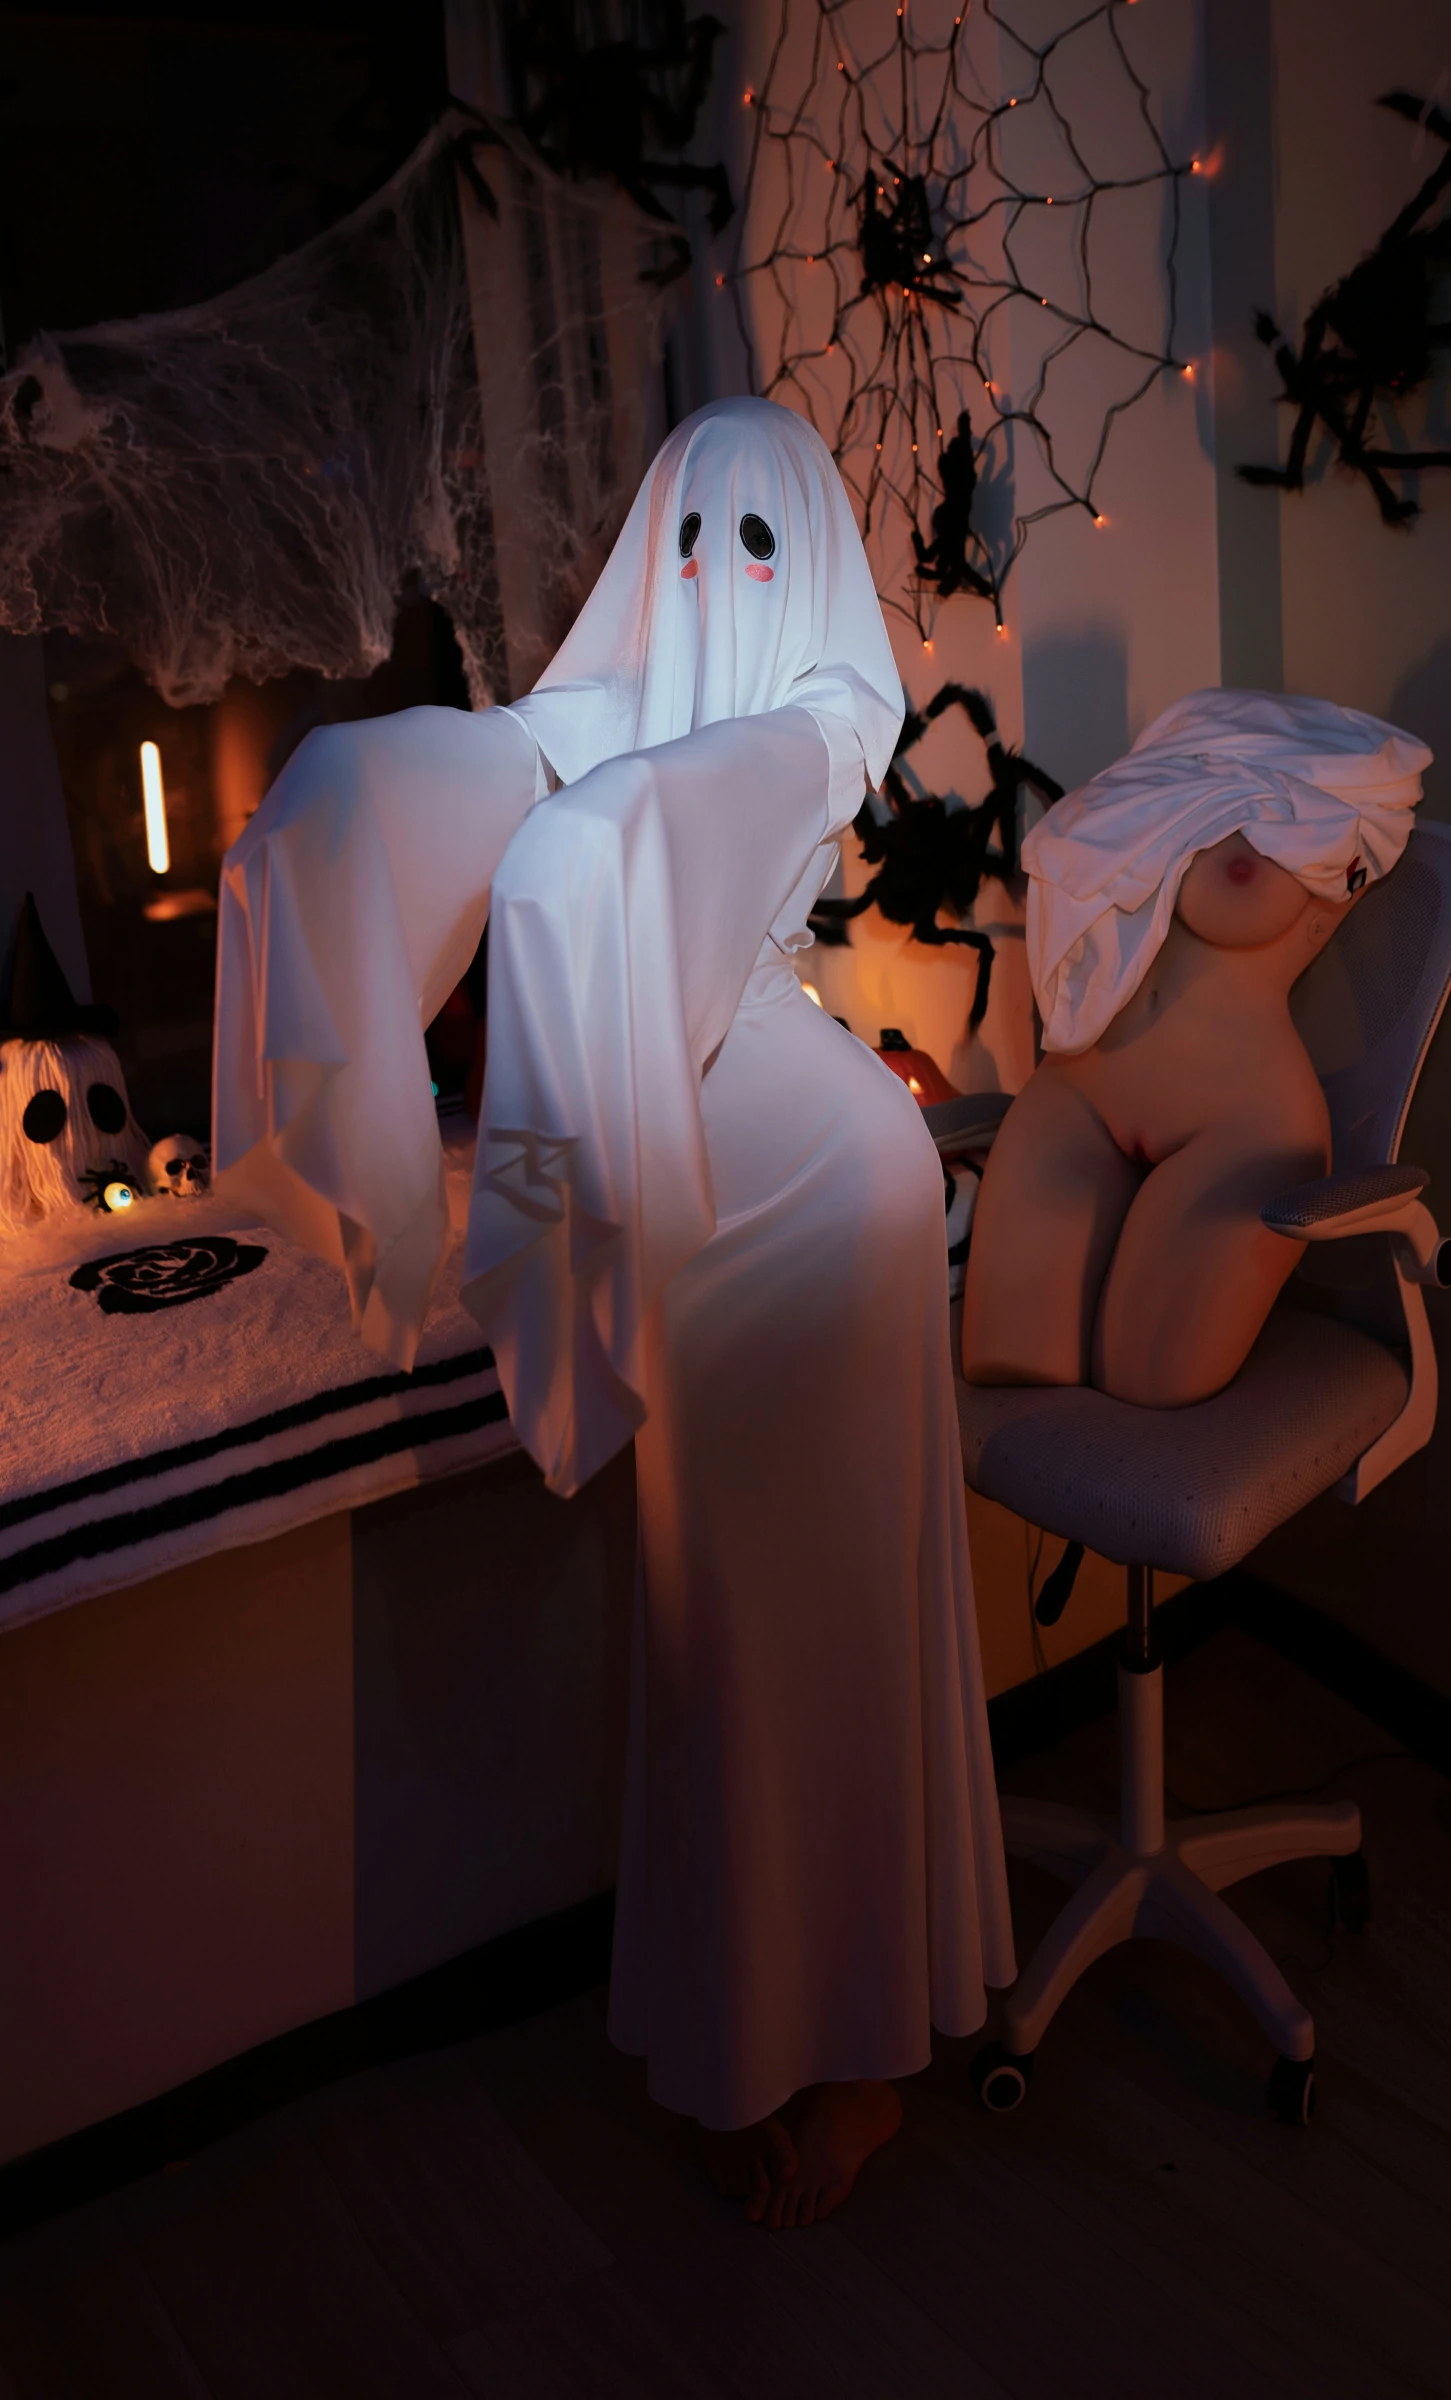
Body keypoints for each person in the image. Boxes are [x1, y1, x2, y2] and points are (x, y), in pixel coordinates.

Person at [214, 397, 1014, 2231]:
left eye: (761, 540)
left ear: (809, 563)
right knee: (715, 1634)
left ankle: (864, 2059)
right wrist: (346, 799)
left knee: (842, 1629)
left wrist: (590, 842)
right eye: (690, 538)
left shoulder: (826, 710)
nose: (723, 577)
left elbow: (701, 789)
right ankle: (752, 2035)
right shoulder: (614, 712)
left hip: (827, 1195)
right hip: (701, 1206)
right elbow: (512, 752)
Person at [963, 689, 1429, 1403]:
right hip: (1080, 1092)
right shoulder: (1161, 765)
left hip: (1237, 1128)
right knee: (1012, 1372)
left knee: (1146, 1385)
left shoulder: (1359, 804)